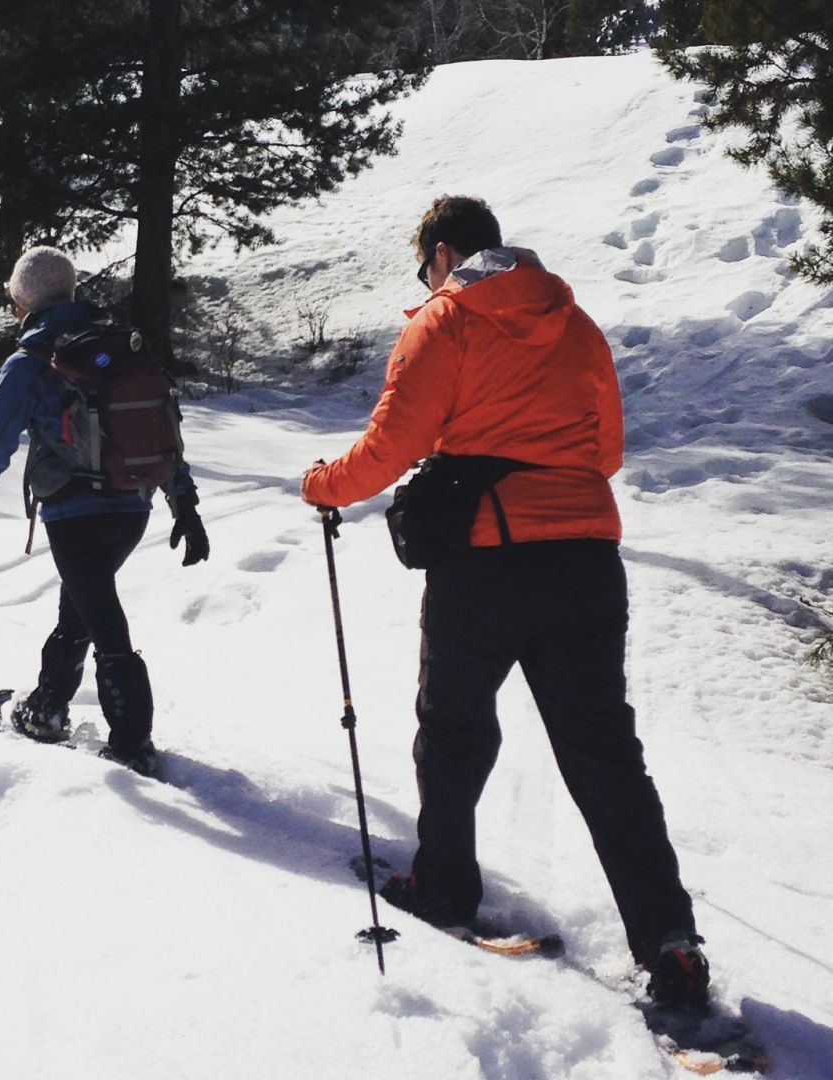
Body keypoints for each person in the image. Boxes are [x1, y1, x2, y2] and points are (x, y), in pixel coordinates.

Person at [300, 197, 709, 1009]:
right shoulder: (575, 322)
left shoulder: (445, 321)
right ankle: (669, 939)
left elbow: (394, 442)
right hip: (586, 556)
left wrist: (322, 485)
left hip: (484, 564)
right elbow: (609, 450)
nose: (426, 280)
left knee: (452, 727)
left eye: (424, 267)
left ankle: (445, 884)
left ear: (444, 254)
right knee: (604, 755)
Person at [0, 246, 208, 778]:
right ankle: (45, 707)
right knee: (81, 608)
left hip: (74, 512)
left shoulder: (32, 361)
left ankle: (132, 741)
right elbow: (165, 429)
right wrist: (184, 503)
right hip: (131, 508)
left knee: (103, 618)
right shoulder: (120, 346)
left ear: (23, 299)